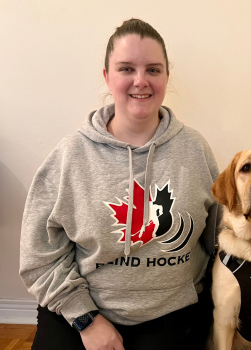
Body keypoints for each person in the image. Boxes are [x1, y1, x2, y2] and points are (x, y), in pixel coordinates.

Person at [20, 19, 220, 350]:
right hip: (80, 312)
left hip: (173, 313)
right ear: (107, 77)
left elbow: (219, 238)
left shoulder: (195, 150)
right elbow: (38, 256)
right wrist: (85, 319)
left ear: (167, 76)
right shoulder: (70, 156)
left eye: (153, 70)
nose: (140, 81)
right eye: (126, 68)